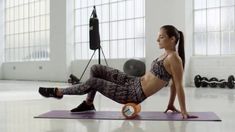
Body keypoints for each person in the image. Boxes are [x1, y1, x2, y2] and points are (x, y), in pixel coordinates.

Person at [39, 25, 197, 119]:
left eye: (161, 37)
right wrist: (170, 104)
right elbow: (171, 84)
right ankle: (88, 103)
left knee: (94, 82)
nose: (157, 40)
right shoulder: (165, 54)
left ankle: (58, 92)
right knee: (96, 68)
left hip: (134, 94)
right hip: (133, 82)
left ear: (172, 40)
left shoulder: (175, 59)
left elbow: (178, 85)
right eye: (158, 37)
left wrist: (182, 109)